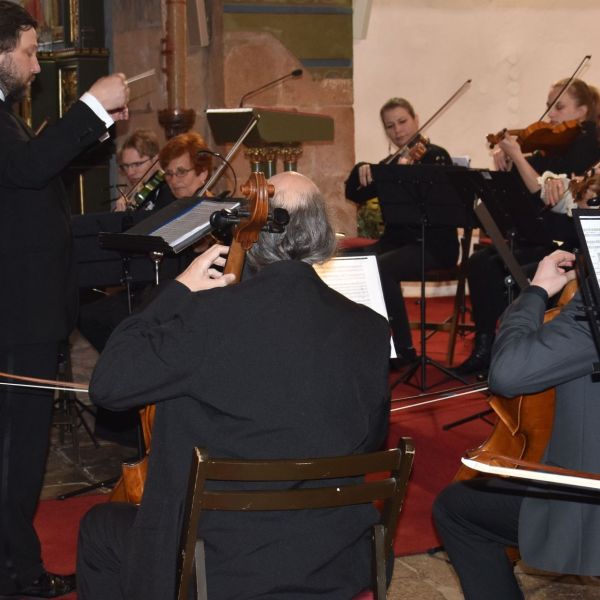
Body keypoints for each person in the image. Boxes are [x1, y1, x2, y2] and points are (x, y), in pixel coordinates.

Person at [76, 171, 392, 600]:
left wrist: (178, 291)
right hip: (334, 556)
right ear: (320, 233)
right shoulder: (370, 328)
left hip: (220, 565)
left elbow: (109, 384)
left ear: (250, 234)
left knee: (99, 529)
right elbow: (370, 441)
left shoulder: (208, 316)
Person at [0, 2, 129, 597]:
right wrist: (91, 105)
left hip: (25, 312)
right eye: (29, 52)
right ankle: (16, 575)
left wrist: (97, 125)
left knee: (20, 450)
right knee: (16, 453)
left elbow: (30, 174)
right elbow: (28, 168)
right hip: (16, 316)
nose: (36, 65)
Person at [433, 248, 600, 599]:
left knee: (457, 508)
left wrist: (536, 292)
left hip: (592, 500)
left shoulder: (593, 310)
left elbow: (509, 373)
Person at [454, 78, 600, 376]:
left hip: (564, 241)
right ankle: (486, 344)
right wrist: (510, 161)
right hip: (540, 234)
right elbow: (543, 185)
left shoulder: (588, 145)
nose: (551, 116)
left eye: (559, 107)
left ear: (582, 111)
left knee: (502, 272)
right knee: (480, 262)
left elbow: (558, 190)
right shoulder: (551, 148)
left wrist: (521, 158)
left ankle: (514, 352)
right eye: (549, 106)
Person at [345, 97, 457, 366]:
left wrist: (400, 174)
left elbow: (442, 204)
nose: (397, 130)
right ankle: (368, 341)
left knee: (381, 268)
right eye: (390, 126)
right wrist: (361, 169)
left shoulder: (436, 156)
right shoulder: (390, 164)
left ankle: (404, 348)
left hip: (434, 246)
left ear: (416, 119)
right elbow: (354, 193)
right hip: (397, 244)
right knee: (349, 261)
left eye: (402, 121)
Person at [113, 129, 160, 212]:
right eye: (126, 166)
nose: (130, 173)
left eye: (137, 164)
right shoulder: (142, 190)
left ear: (155, 159)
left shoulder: (167, 189)